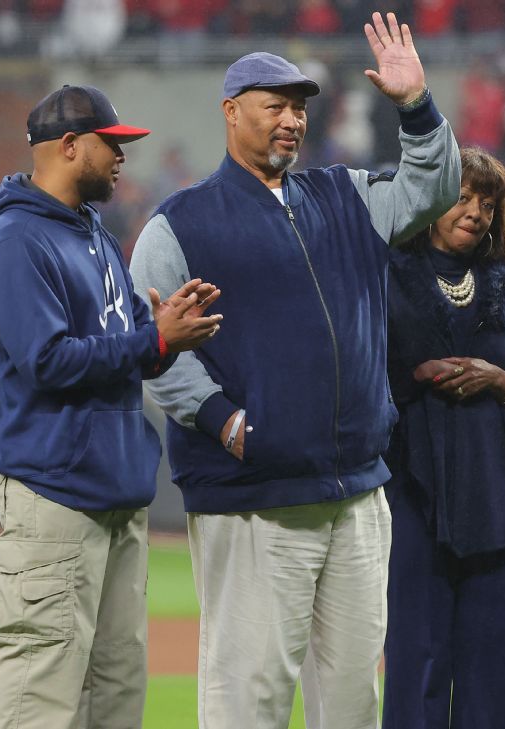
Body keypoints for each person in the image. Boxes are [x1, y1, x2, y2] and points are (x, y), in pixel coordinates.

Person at [130, 13, 460, 729]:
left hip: (356, 494)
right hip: (255, 497)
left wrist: (416, 106)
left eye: (300, 107)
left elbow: (434, 190)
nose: (291, 120)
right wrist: (227, 423)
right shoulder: (180, 224)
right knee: (249, 697)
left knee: (351, 702)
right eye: (274, 105)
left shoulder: (343, 196)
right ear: (230, 111)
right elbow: (150, 347)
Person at [0, 84, 222, 729]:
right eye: (111, 145)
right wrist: (155, 338)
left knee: (116, 692)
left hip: (116, 491)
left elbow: (126, 351)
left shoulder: (93, 234)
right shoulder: (18, 241)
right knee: (40, 689)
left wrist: (160, 335)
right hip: (54, 491)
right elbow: (48, 363)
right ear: (67, 146)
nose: (122, 158)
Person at [380, 146, 505, 729]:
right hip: (410, 490)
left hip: (493, 493)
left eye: (488, 203)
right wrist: (409, 377)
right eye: (463, 196)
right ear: (429, 200)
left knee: (491, 665)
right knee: (417, 658)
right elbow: (355, 374)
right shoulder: (383, 274)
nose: (475, 211)